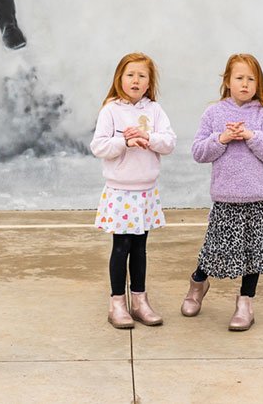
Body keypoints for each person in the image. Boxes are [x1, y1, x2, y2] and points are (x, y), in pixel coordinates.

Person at [183, 53, 263, 331]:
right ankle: (198, 282)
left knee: (254, 253)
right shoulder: (214, 114)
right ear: (227, 81)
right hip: (226, 197)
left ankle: (245, 302)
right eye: (239, 78)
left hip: (258, 198)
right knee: (215, 250)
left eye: (251, 79)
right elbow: (198, 152)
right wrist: (222, 138)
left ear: (258, 84)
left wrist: (253, 137)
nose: (245, 84)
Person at [90, 52, 175, 329]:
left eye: (142, 76)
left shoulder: (154, 111)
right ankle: (117, 303)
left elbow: (169, 142)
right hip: (120, 192)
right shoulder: (111, 110)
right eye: (130, 75)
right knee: (121, 246)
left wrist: (148, 137)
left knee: (140, 248)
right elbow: (99, 147)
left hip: (145, 191)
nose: (135, 80)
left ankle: (139, 301)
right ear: (120, 79)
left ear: (149, 83)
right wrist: (124, 143)